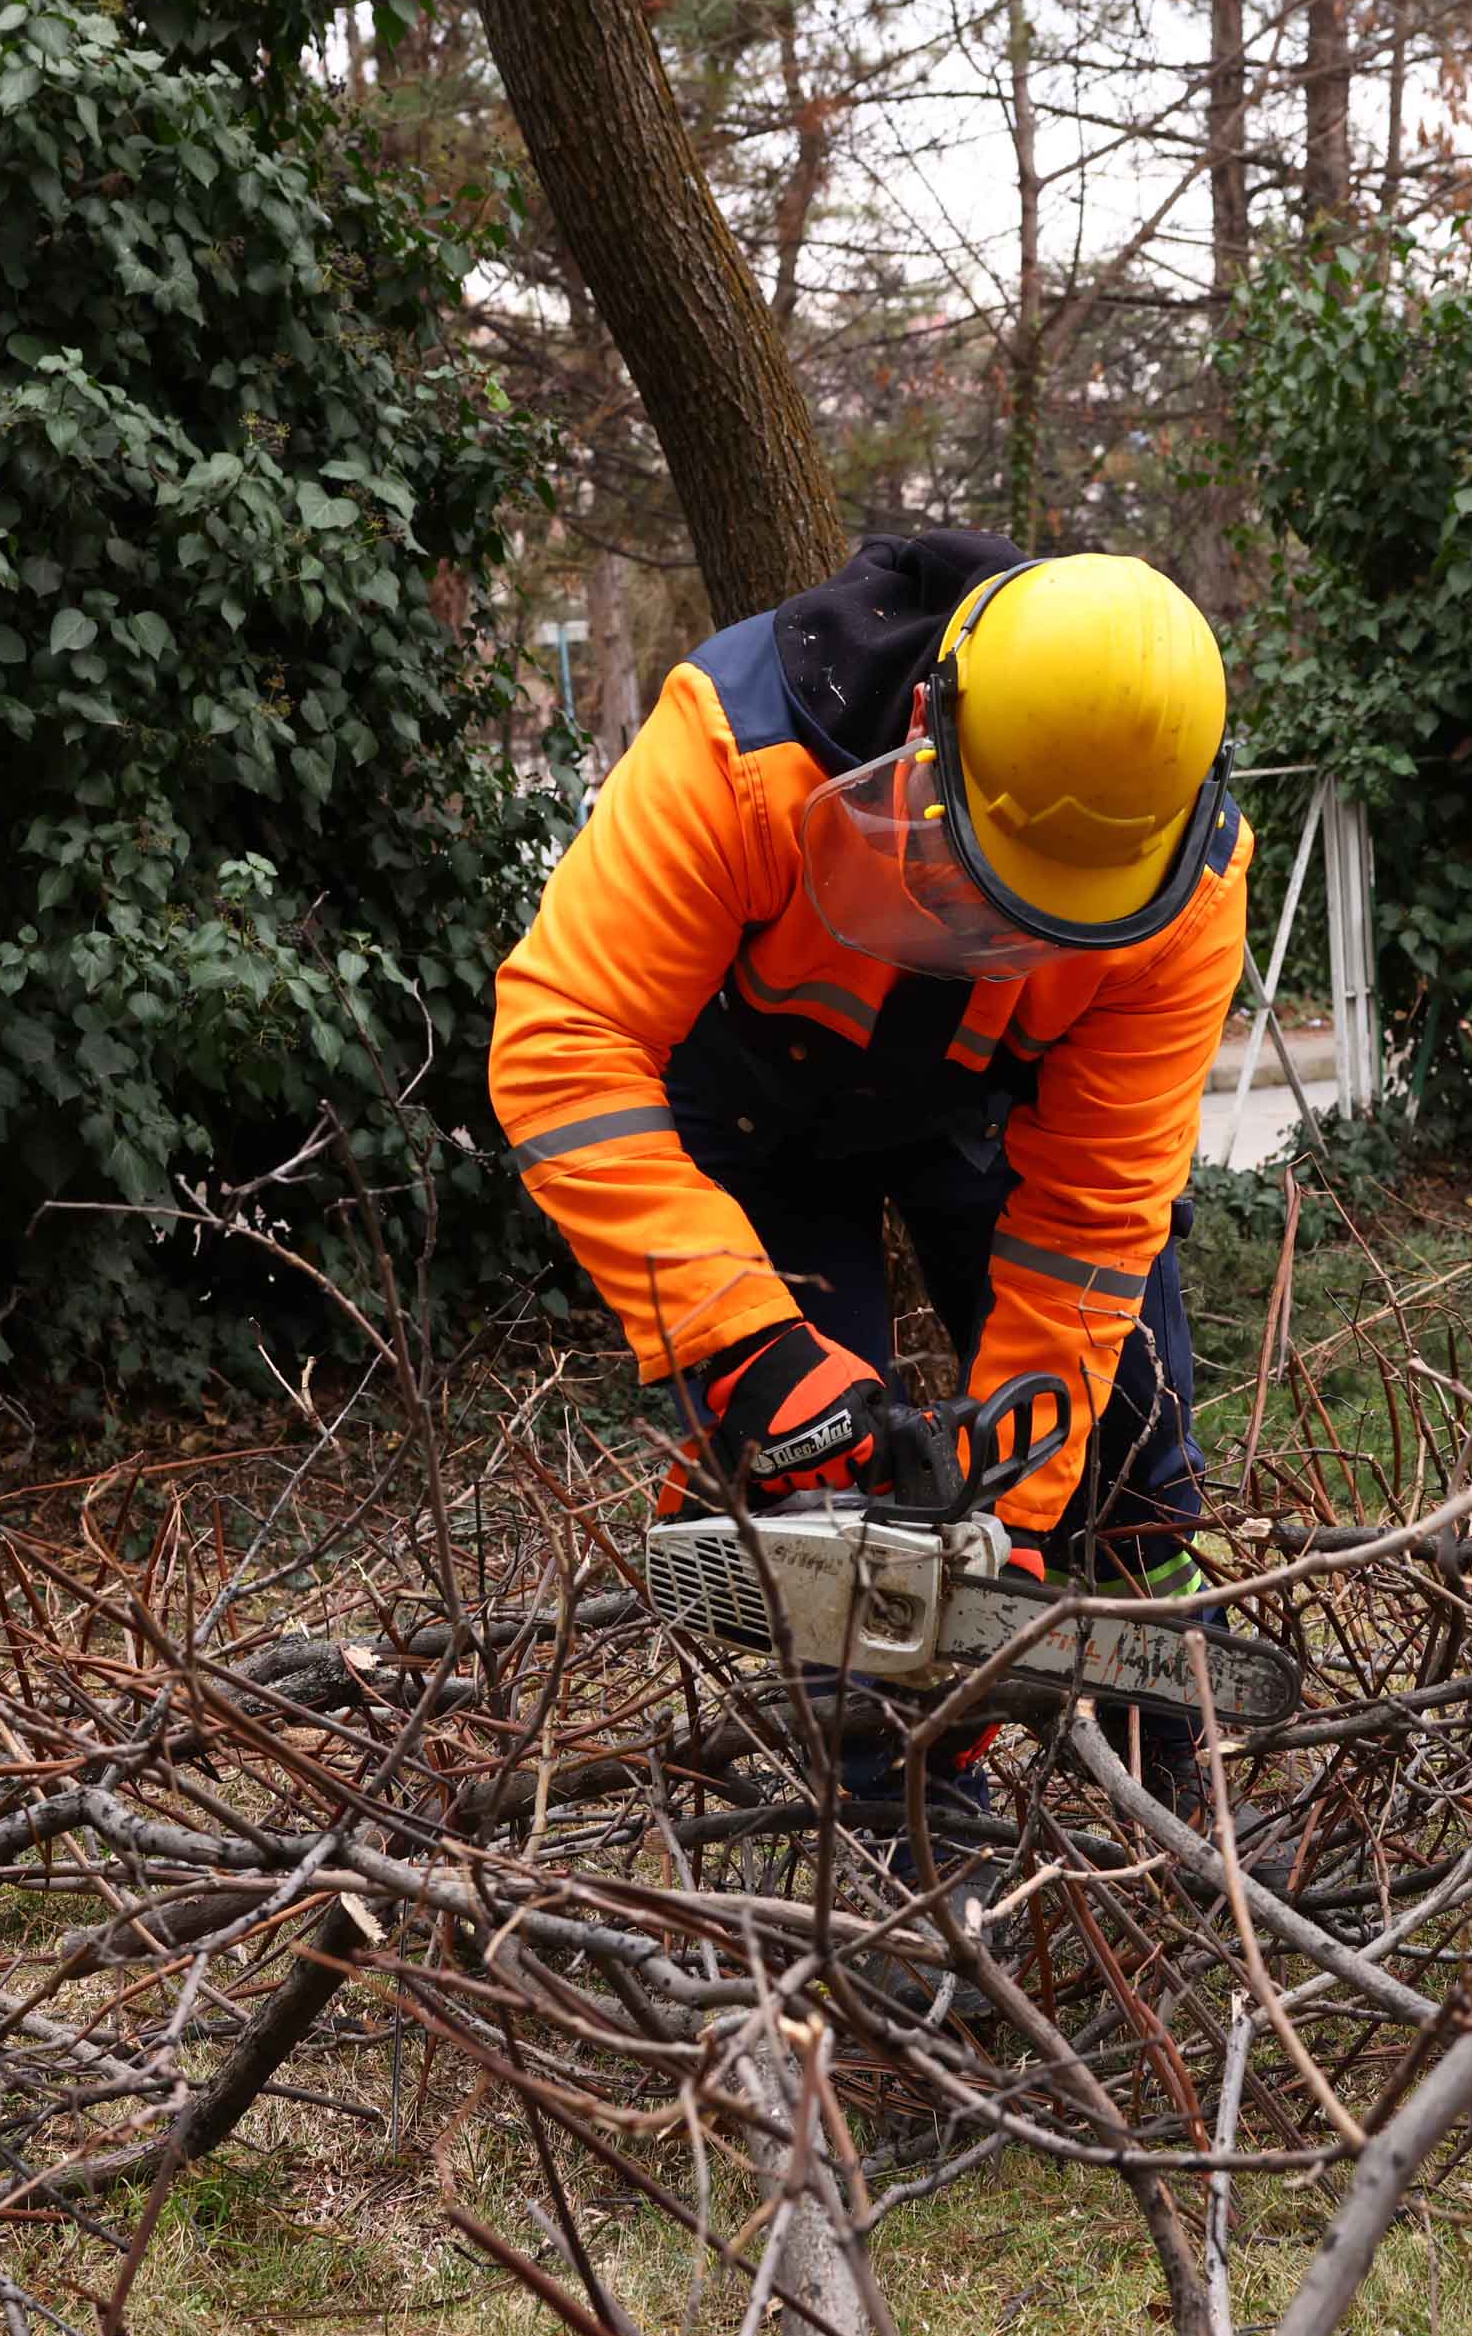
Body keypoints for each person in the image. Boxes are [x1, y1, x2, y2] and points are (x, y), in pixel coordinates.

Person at [488, 528, 1244, 1818]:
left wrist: (1017, 1503)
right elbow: (564, 1041)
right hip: (749, 1109)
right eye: (999, 894)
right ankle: (905, 1825)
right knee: (826, 1482)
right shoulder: (738, 749)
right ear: (928, 737)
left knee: (1125, 1418)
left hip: (975, 1098)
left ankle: (1167, 1755)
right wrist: (748, 1351)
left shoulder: (1187, 880)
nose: (1011, 934)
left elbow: (1098, 1206)